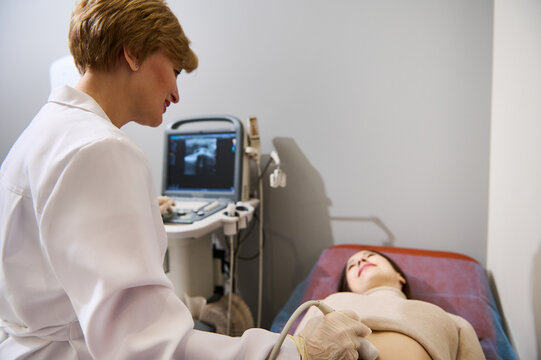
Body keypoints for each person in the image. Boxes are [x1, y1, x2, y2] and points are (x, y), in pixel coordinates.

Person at [0, 0, 368, 359]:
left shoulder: (43, 132)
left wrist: (188, 303)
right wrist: (296, 351)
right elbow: (146, 346)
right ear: (133, 51)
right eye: (175, 71)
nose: (176, 94)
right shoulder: (101, 149)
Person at [294, 250, 487, 360]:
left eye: (369, 256)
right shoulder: (329, 302)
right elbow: (290, 351)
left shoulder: (451, 320)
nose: (360, 260)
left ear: (400, 276)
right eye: (351, 266)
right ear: (349, 287)